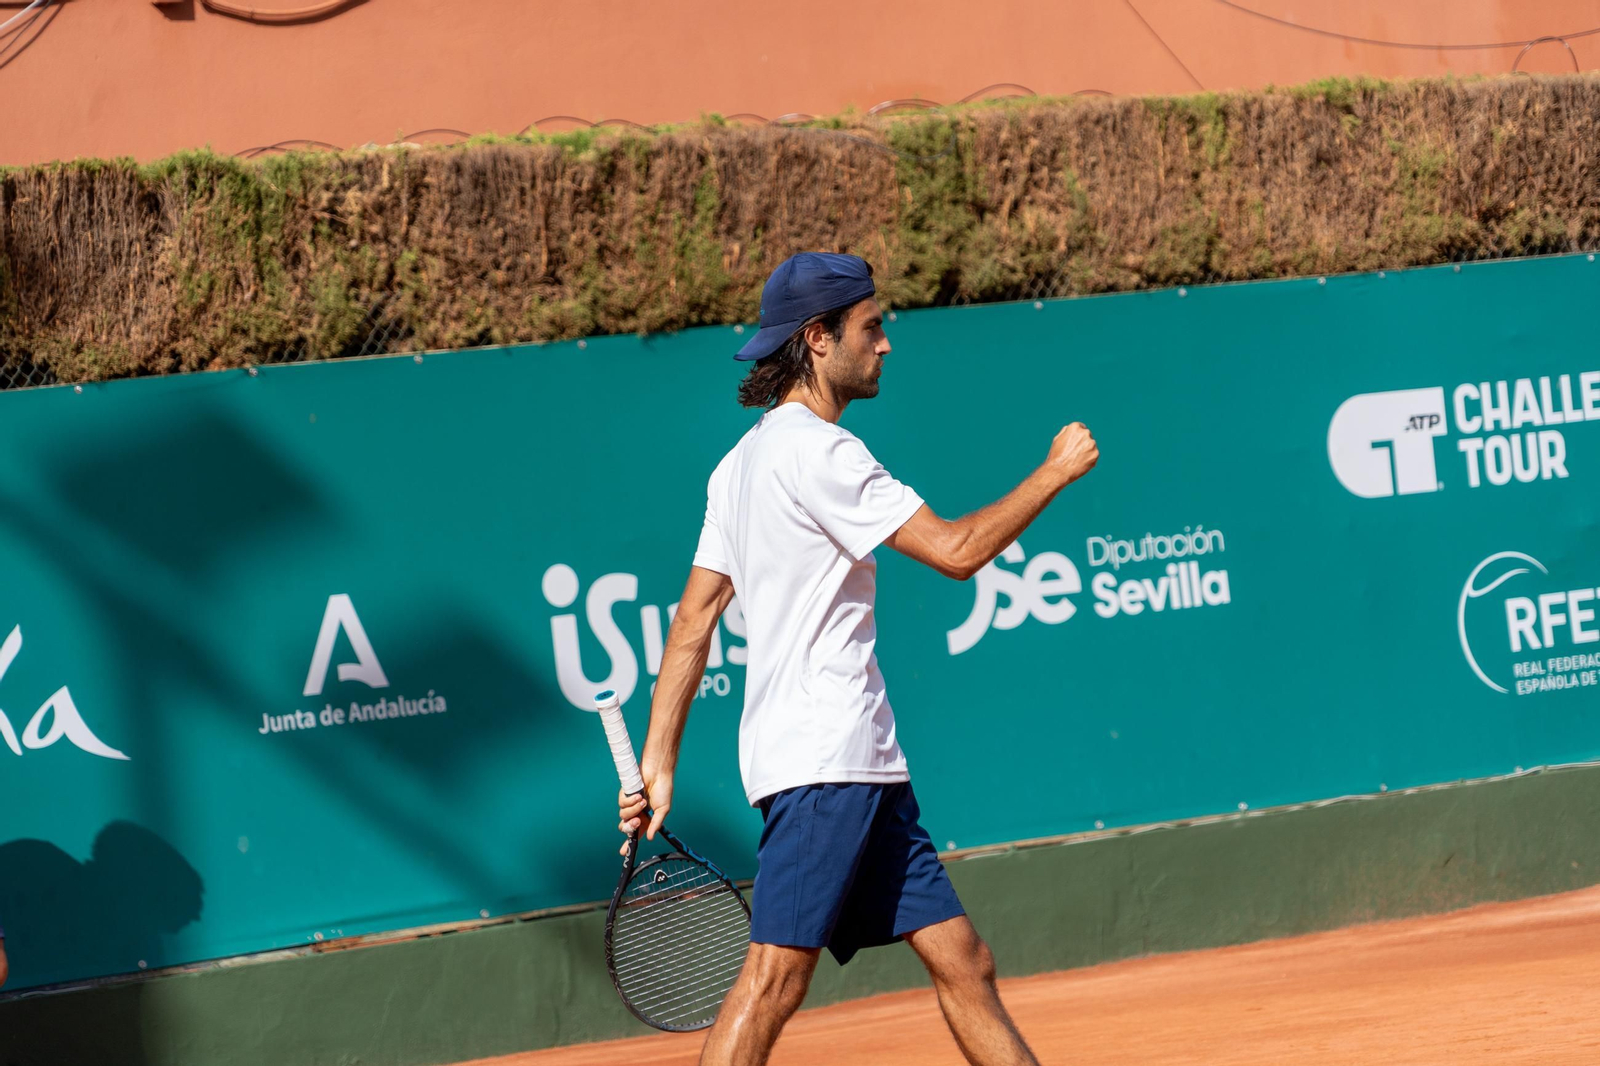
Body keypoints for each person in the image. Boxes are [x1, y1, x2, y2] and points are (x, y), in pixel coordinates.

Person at [617, 251, 1099, 1066]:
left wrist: (660, 760)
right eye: (871, 329)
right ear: (817, 338)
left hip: (859, 765)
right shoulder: (821, 455)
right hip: (824, 762)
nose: (885, 346)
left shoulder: (738, 467)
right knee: (773, 980)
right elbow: (954, 550)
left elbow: (695, 620)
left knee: (963, 961)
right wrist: (1053, 473)